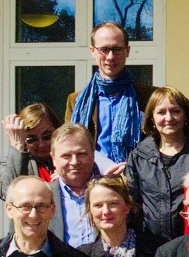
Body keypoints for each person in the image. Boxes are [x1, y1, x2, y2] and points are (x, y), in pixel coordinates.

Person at [64, 22, 150, 173]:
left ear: (127, 51)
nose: (110, 57)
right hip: (93, 181)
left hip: (139, 178)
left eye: (117, 49)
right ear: (92, 51)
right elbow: (68, 144)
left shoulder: (149, 97)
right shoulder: (76, 100)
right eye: (104, 49)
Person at [125, 87, 189, 241]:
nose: (169, 118)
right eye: (161, 112)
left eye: (175, 111)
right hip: (151, 247)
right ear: (151, 118)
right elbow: (133, 205)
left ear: (185, 115)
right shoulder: (139, 157)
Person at [49, 124, 101, 249]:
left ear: (93, 155)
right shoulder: (43, 198)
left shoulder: (112, 193)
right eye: (66, 156)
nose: (74, 162)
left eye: (81, 154)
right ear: (53, 159)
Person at [0, 101, 56, 208]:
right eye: (32, 139)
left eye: (47, 136)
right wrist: (17, 145)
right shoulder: (8, 163)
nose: (41, 144)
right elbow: (7, 193)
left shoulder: (69, 160)